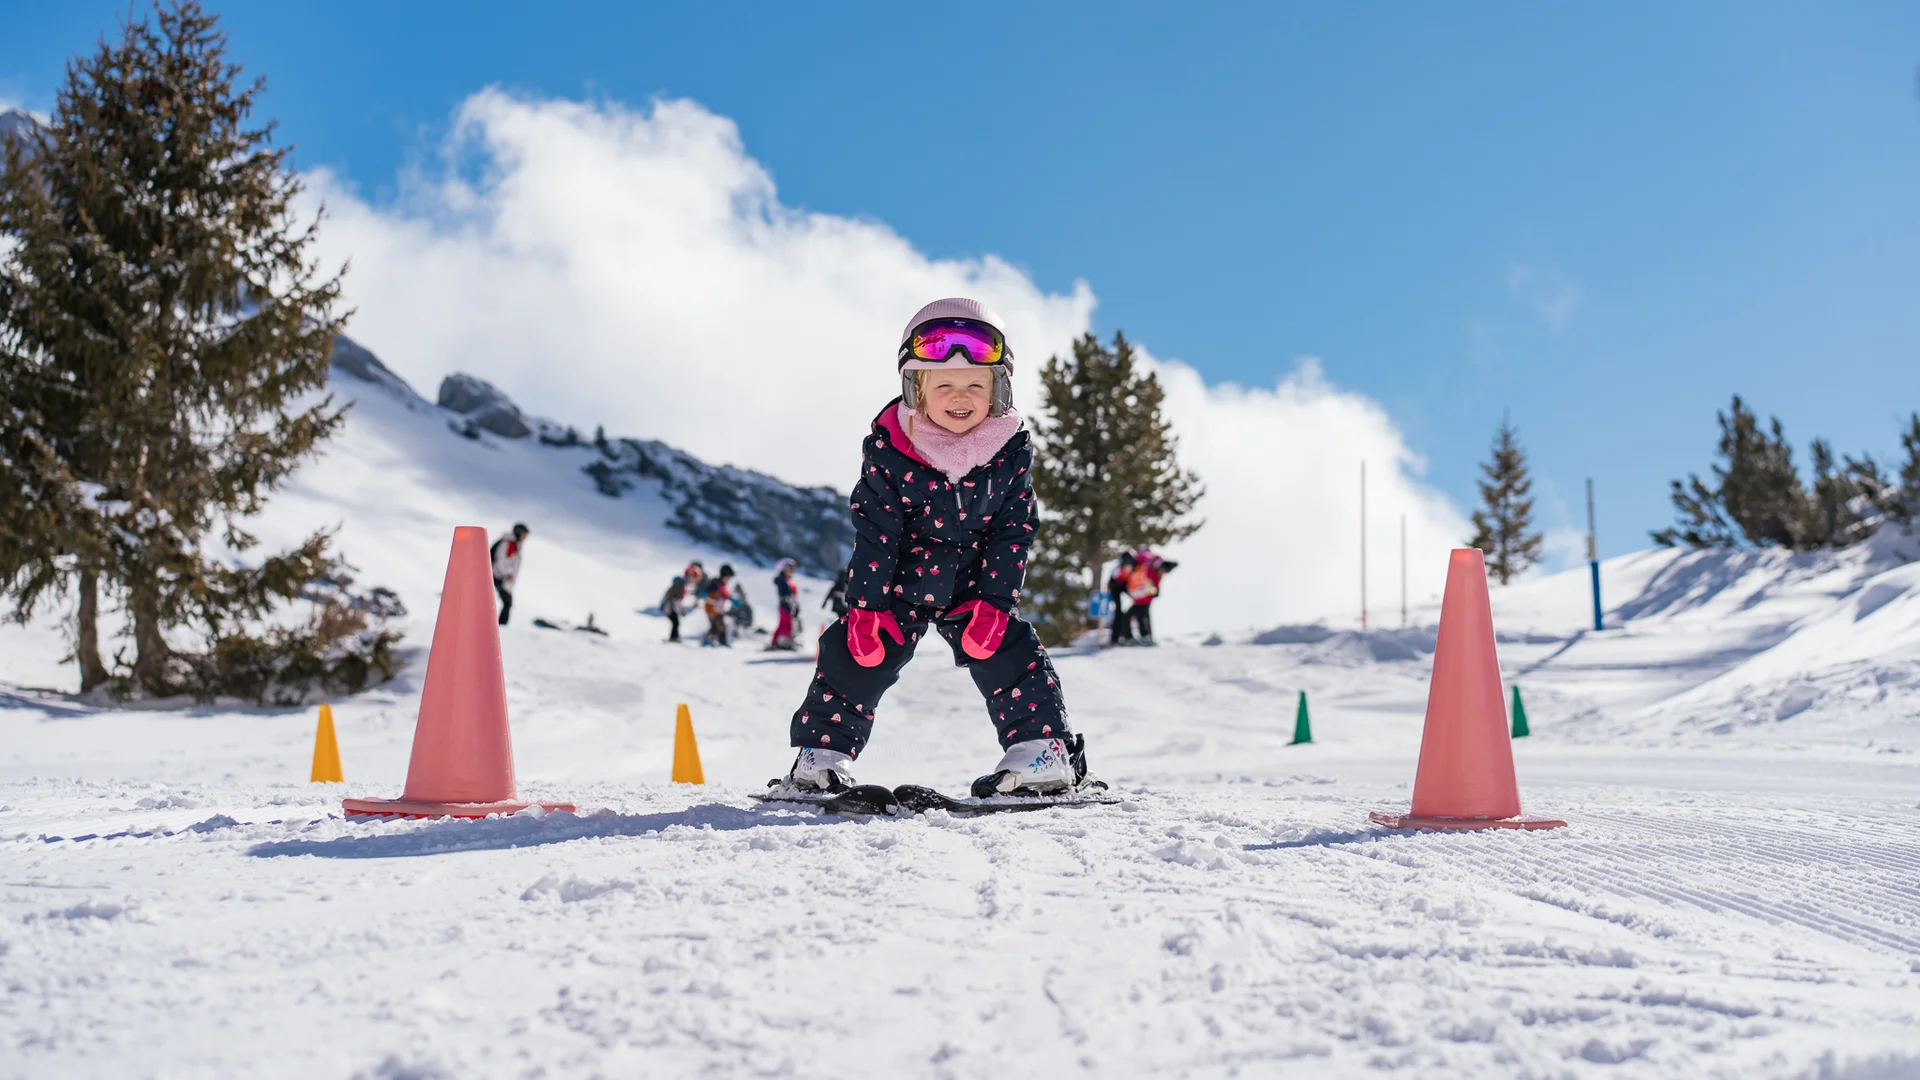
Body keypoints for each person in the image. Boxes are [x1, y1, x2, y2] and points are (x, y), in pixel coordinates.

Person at [775, 297, 1103, 798]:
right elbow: (876, 531)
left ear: (998, 389)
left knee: (1009, 649)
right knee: (857, 654)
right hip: (902, 580)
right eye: (943, 384)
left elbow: (1013, 527)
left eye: (976, 384)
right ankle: (820, 757)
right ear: (915, 388)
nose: (960, 396)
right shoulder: (892, 448)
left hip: (973, 582)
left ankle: (1043, 752)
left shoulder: (1009, 448)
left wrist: (995, 603)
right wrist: (865, 607)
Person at [1123, 549, 1179, 645]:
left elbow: (1152, 589)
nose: (1162, 572)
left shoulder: (1153, 572)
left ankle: (1140, 637)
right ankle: (1145, 636)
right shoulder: (1150, 567)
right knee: (1141, 617)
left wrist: (1151, 591)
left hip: (1144, 599)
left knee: (1134, 616)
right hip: (1141, 599)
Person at [489, 523, 529, 626]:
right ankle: (500, 626)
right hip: (497, 576)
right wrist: (507, 574)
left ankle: (500, 625)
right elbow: (500, 560)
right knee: (507, 602)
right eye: (524, 534)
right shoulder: (508, 543)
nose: (525, 538)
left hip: (502, 578)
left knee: (507, 602)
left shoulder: (515, 545)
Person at [661, 561, 704, 643]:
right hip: (669, 606)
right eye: (694, 578)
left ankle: (674, 637)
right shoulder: (682, 584)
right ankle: (674, 638)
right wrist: (681, 610)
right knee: (676, 622)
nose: (694, 581)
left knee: (676, 622)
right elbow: (675, 599)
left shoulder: (684, 584)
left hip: (670, 605)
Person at [768, 558, 801, 650]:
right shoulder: (782, 582)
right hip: (785, 607)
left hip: (788, 606)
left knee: (785, 625)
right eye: (789, 569)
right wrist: (790, 602)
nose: (791, 571)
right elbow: (786, 595)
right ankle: (780, 643)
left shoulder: (787, 581)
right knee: (785, 625)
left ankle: (779, 642)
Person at [1106, 551, 1137, 646]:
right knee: (1118, 612)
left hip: (1124, 586)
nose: (1128, 567)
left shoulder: (1133, 566)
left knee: (1135, 607)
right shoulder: (1116, 570)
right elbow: (1111, 584)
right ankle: (1114, 638)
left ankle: (1126, 635)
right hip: (1115, 587)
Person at [701, 564, 736, 646]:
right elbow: (707, 592)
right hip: (712, 609)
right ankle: (710, 641)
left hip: (718, 609)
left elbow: (725, 595)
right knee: (717, 625)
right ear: (724, 576)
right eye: (728, 578)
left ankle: (719, 642)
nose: (729, 580)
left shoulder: (722, 585)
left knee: (719, 626)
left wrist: (731, 599)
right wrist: (707, 596)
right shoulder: (715, 583)